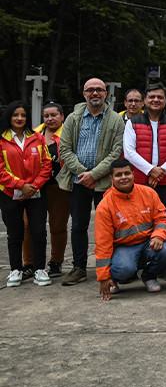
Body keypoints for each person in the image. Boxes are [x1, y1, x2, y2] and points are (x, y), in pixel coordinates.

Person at [58, 77, 124, 286]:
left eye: (99, 90)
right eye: (90, 90)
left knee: (109, 226)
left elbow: (117, 151)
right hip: (78, 181)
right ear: (84, 93)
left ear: (106, 93)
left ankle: (111, 267)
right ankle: (79, 268)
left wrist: (94, 174)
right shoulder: (73, 118)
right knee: (78, 225)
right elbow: (65, 149)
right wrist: (82, 173)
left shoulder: (115, 119)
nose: (95, 94)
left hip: (103, 183)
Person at [94, 159, 166, 300]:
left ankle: (149, 277)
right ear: (111, 178)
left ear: (133, 174)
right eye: (119, 175)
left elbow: (161, 218)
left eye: (127, 173)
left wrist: (158, 236)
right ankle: (114, 279)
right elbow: (102, 244)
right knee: (124, 268)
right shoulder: (105, 206)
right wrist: (103, 277)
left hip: (148, 243)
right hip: (124, 248)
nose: (124, 177)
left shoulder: (148, 193)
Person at [0, 102, 53, 287]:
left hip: (36, 193)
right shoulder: (2, 140)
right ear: (9, 117)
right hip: (9, 194)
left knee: (38, 231)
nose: (20, 118)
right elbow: (1, 171)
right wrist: (21, 185)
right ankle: (16, 269)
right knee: (15, 233)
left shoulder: (37, 138)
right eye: (16, 115)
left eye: (23, 115)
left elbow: (47, 165)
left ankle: (39, 269)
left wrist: (34, 186)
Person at [123, 82, 166, 208]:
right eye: (152, 97)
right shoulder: (133, 123)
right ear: (145, 100)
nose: (156, 100)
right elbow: (129, 152)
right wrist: (150, 170)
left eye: (160, 97)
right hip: (139, 181)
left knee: (164, 217)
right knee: (140, 218)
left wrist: (160, 172)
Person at [29, 102, 69, 277]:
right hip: (35, 187)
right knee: (28, 226)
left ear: (62, 116)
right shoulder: (33, 134)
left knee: (58, 226)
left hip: (58, 187)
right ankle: (28, 263)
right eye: (47, 116)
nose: (50, 119)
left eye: (54, 115)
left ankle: (56, 262)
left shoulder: (69, 133)